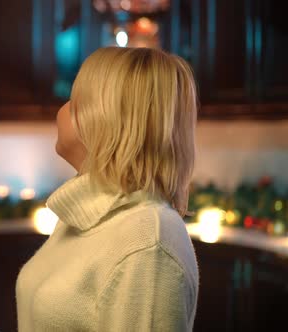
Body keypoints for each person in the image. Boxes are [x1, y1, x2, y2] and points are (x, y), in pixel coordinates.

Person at [16, 47, 199, 331]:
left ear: (103, 118)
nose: (61, 110)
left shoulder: (148, 241)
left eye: (73, 100)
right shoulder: (87, 215)